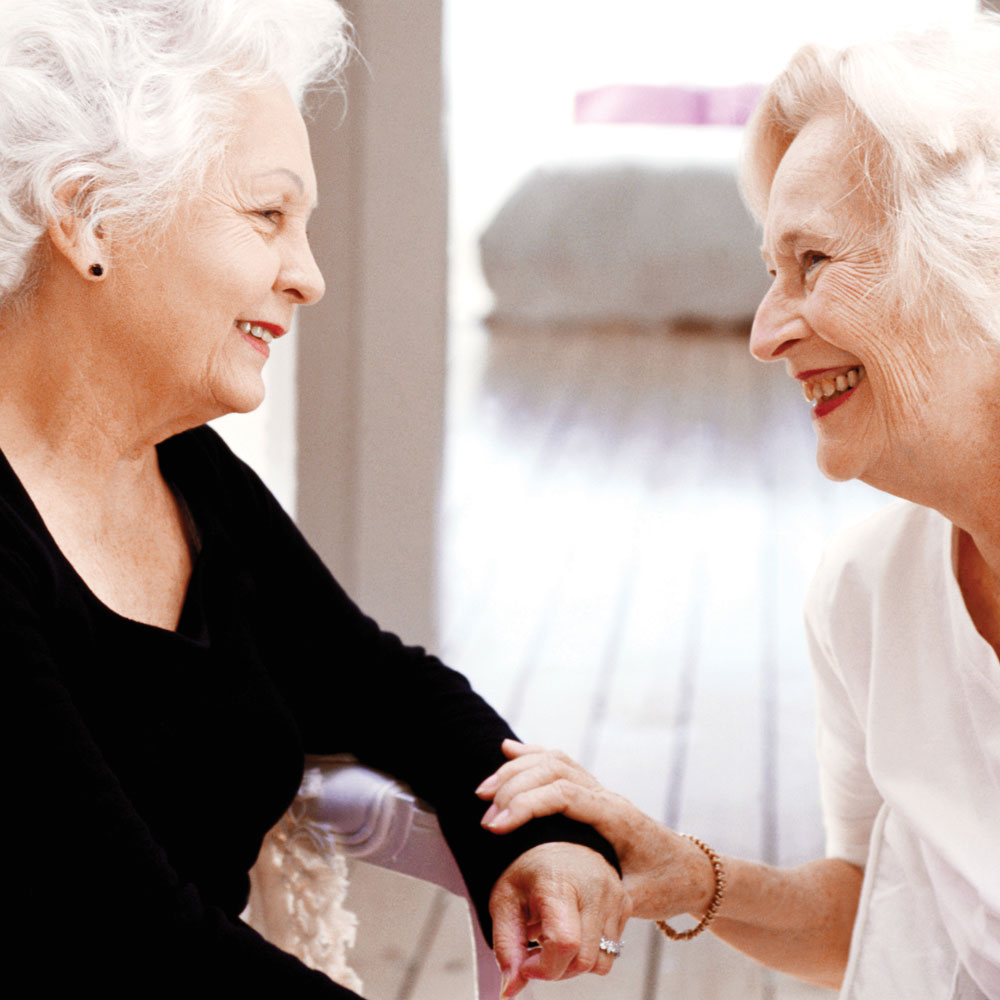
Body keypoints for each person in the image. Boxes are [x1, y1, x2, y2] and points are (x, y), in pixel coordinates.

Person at [1, 1, 629, 996]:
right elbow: (132, 938)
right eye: (267, 215)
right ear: (89, 216)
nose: (309, 275)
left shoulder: (183, 471)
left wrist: (531, 836)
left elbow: (381, 684)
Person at [477, 13, 1000, 1000]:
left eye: (813, 262)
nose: (764, 333)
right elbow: (870, 910)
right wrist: (686, 871)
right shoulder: (867, 590)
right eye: (770, 272)